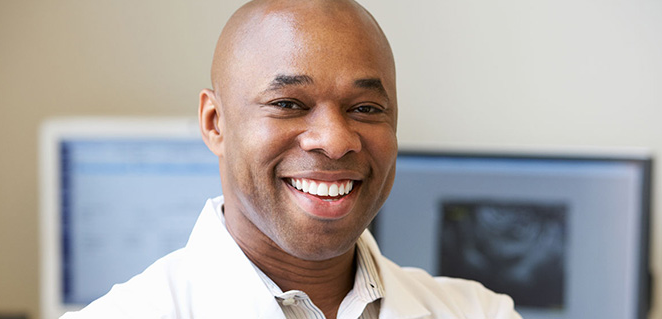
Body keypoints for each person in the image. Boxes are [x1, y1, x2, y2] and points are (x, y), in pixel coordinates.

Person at [61, 0, 521, 318]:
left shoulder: (480, 312)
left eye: (365, 109)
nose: (336, 141)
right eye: (288, 104)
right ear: (215, 122)